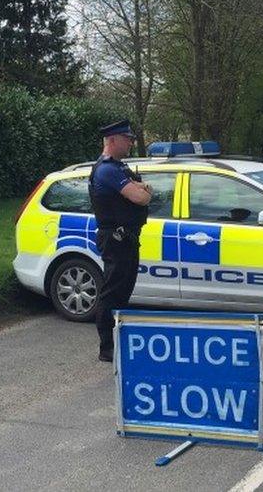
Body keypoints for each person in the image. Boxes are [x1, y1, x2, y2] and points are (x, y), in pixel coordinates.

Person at [88, 119, 152, 362]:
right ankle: (107, 347)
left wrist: (142, 189)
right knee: (112, 292)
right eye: (127, 139)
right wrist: (143, 189)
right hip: (116, 239)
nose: (131, 143)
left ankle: (118, 341)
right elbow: (142, 197)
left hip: (126, 238)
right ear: (112, 140)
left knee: (123, 291)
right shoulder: (107, 170)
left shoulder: (118, 168)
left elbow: (143, 191)